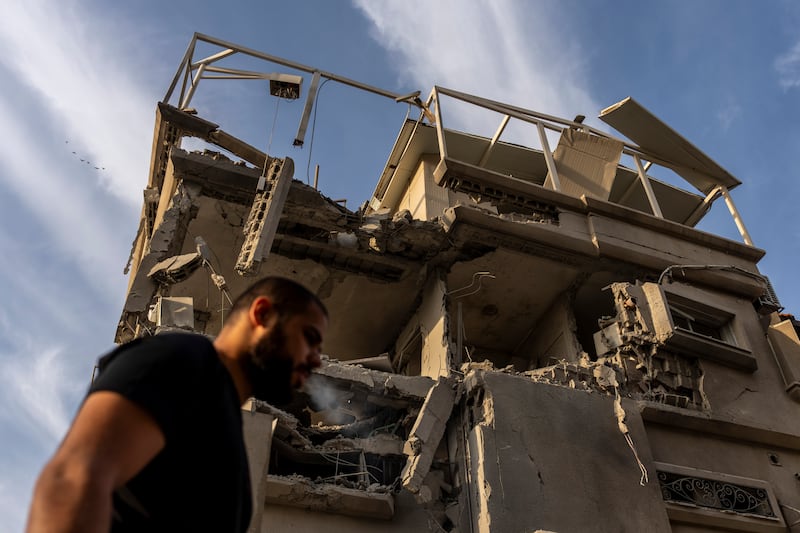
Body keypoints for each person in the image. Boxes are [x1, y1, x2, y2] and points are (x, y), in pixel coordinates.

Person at [26, 276, 328, 533]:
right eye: (309, 337)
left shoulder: (228, 435)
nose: (316, 360)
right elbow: (72, 480)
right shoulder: (185, 361)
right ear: (262, 314)